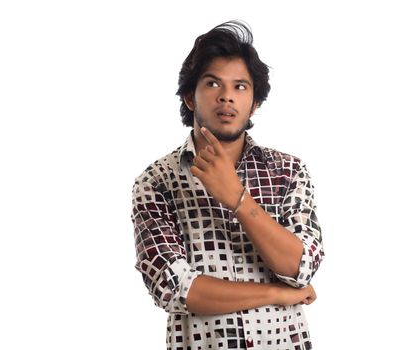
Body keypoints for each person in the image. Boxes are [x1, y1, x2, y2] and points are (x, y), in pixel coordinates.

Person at [131, 20, 324, 350]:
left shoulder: (287, 171)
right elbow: (174, 287)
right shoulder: (155, 182)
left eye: (240, 87)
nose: (226, 97)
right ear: (190, 98)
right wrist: (276, 294)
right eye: (213, 84)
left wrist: (236, 197)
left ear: (255, 103)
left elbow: (300, 266)